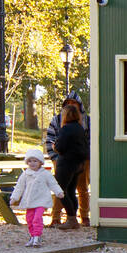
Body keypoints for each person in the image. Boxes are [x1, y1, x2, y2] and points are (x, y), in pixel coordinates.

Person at [44, 93, 90, 228]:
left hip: (67, 164)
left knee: (60, 190)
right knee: (70, 191)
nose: (70, 105)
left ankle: (72, 217)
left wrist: (55, 147)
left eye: (73, 103)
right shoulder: (79, 127)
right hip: (78, 163)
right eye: (68, 103)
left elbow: (60, 146)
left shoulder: (66, 128)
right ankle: (63, 218)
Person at [11, 148, 65, 248]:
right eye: (30, 161)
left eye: (35, 161)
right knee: (29, 219)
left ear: (40, 162)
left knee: (37, 218)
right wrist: (14, 197)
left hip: (41, 200)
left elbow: (53, 184)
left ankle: (37, 236)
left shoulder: (45, 174)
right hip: (30, 200)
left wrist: (58, 192)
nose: (32, 163)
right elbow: (19, 187)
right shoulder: (26, 174)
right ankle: (32, 236)